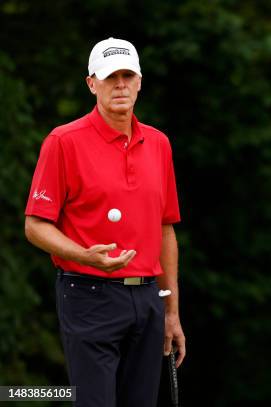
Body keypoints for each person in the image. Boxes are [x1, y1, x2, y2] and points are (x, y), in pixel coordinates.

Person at [24, 37, 185, 407]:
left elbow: (165, 229)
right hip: (88, 294)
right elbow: (35, 225)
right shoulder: (63, 142)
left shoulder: (159, 144)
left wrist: (171, 310)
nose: (120, 84)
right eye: (110, 76)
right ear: (91, 83)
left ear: (140, 81)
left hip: (147, 298)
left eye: (128, 75)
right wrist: (85, 255)